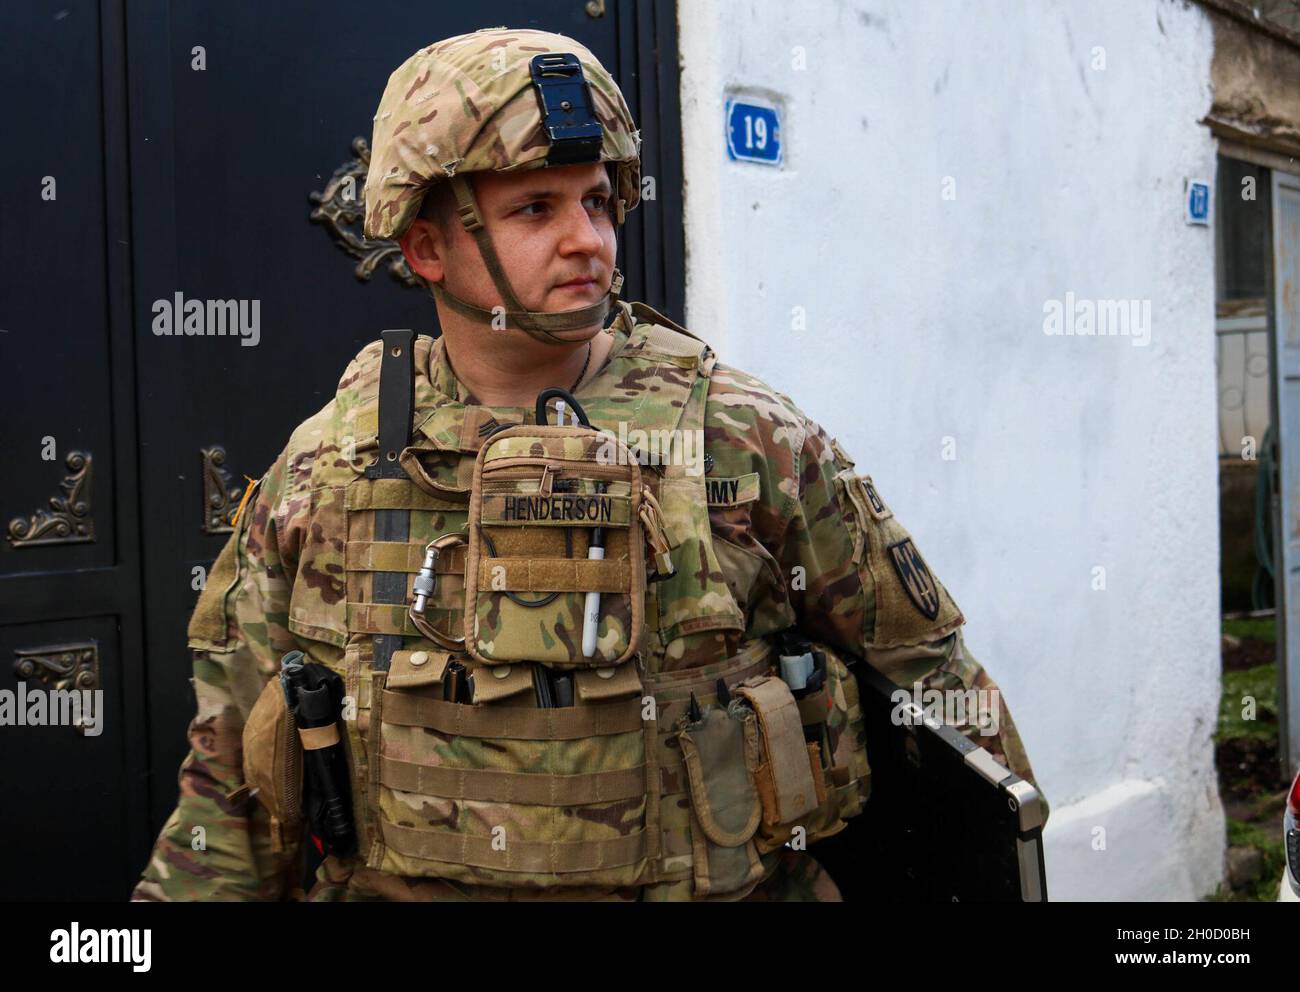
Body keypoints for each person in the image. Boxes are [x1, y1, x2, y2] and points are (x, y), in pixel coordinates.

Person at [131, 27, 1044, 903]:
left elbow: (939, 697)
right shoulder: (327, 464)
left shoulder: (747, 438)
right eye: (536, 207)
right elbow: (229, 785)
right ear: (425, 247)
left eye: (598, 202)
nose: (590, 241)